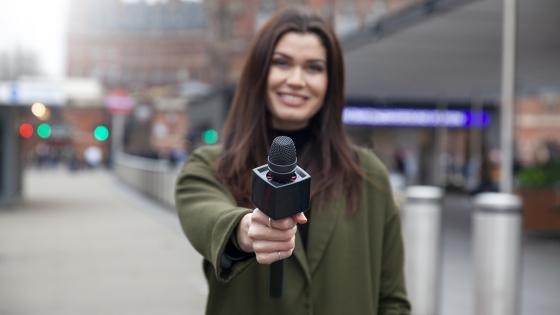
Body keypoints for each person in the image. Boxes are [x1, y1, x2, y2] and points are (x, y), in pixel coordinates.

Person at [175, 7, 410, 315]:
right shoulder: (210, 167)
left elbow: (392, 300)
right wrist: (245, 230)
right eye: (281, 63)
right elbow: (208, 217)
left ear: (330, 82)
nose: (296, 80)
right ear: (259, 72)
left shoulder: (367, 175)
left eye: (313, 68)